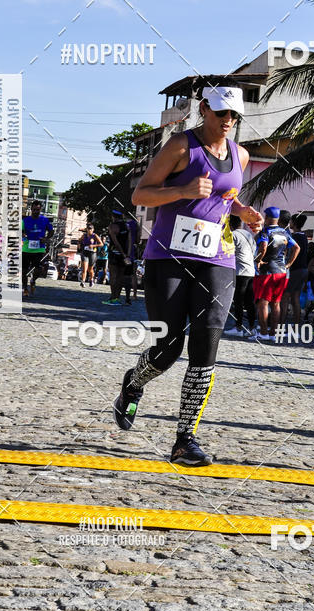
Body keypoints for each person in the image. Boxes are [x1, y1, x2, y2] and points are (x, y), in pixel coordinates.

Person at [113, 85, 263, 466]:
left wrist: (242, 212)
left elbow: (225, 199)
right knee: (168, 348)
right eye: (221, 114)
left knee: (206, 346)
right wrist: (182, 189)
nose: (228, 122)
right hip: (169, 256)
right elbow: (141, 196)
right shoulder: (181, 146)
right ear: (204, 109)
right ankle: (134, 383)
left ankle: (185, 440)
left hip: (218, 257)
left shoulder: (240, 155)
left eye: (234, 116)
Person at [252, 207, 300, 342]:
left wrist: (259, 259)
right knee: (276, 303)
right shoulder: (284, 233)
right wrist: (289, 264)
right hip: (281, 272)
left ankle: (263, 332)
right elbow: (297, 247)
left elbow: (264, 246)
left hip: (266, 271)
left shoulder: (265, 231)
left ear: (266, 217)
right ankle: (273, 333)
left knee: (263, 302)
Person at [224, 214, 257, 337]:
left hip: (240, 272)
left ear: (230, 224)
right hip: (250, 270)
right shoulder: (249, 235)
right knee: (250, 301)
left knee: (238, 300)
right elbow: (254, 250)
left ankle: (238, 328)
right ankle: (253, 327)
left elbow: (227, 251)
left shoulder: (233, 235)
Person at [280, 213, 309, 328]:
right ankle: (296, 325)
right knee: (295, 297)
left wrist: (288, 264)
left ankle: (280, 324)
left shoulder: (295, 236)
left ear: (294, 223)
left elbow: (291, 251)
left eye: (291, 221)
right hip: (303, 269)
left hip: (295, 269)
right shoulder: (303, 236)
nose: (289, 223)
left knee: (285, 297)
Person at [22, 200, 53, 297]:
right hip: (26, 248)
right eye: (34, 209)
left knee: (39, 269)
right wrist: (23, 234)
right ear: (31, 209)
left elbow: (51, 231)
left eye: (38, 210)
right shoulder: (25, 220)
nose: (36, 211)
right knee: (23, 271)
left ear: (40, 210)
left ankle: (33, 280)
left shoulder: (44, 220)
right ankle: (25, 288)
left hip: (39, 249)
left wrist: (46, 238)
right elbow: (20, 231)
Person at [103, 210, 130, 306]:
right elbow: (130, 241)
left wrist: (122, 253)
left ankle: (113, 297)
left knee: (113, 276)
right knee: (120, 277)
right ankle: (117, 298)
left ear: (113, 217)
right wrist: (127, 254)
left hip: (115, 253)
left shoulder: (112, 226)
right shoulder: (127, 226)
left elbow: (115, 242)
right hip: (125, 254)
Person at [78, 223, 102, 288]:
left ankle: (91, 280)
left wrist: (93, 245)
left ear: (93, 230)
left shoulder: (95, 236)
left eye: (91, 229)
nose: (89, 230)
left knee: (90, 269)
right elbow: (79, 241)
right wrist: (79, 245)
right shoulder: (84, 235)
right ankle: (82, 282)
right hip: (85, 252)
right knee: (84, 268)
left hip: (92, 253)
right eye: (88, 229)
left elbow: (101, 244)